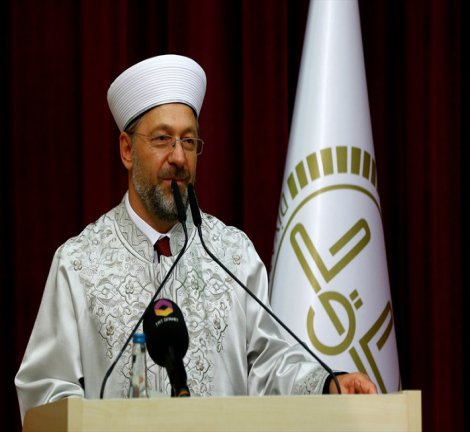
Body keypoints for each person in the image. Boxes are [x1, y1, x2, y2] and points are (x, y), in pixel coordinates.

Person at [15, 54, 376, 422]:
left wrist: (328, 384)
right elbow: (46, 387)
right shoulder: (79, 264)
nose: (178, 157)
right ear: (127, 150)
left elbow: (269, 366)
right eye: (162, 139)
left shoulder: (233, 255)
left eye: (188, 141)